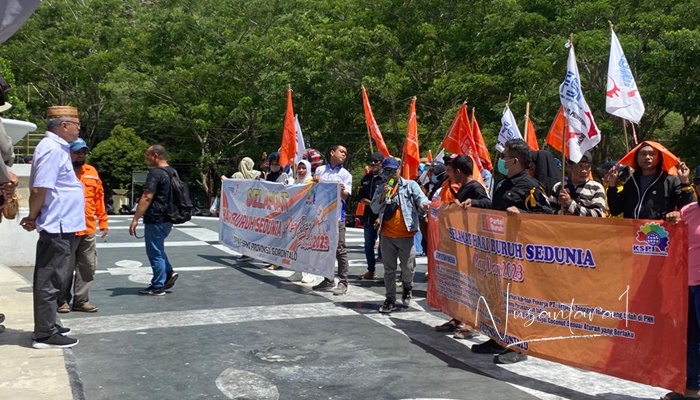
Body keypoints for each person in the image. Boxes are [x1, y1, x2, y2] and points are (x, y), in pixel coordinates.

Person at [471, 139, 554, 364]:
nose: (501, 160)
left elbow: (549, 215)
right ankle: (498, 337)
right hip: (497, 252)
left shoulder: (530, 186)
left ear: (514, 160)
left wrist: (524, 215)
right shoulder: (504, 183)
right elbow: (495, 208)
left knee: (516, 300)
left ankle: (518, 345)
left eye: (504, 156)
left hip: (519, 256)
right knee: (496, 297)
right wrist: (474, 203)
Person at [20, 106, 84, 349]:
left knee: (54, 277)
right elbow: (39, 188)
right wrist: (33, 217)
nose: (79, 128)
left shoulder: (58, 149)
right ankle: (44, 334)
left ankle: (48, 325)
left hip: (63, 224)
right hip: (57, 224)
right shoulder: (50, 149)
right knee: (50, 279)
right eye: (76, 124)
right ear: (64, 125)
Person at [435, 155, 491, 337]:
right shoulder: (465, 187)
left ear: (459, 171)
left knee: (472, 284)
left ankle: (473, 325)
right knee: (460, 282)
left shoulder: (475, 187)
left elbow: (488, 204)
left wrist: (473, 202)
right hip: (461, 242)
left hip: (473, 245)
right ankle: (458, 317)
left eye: (452, 171)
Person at [371, 157, 430, 313]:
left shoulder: (410, 186)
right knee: (389, 269)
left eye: (394, 170)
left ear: (399, 169)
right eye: (387, 171)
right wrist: (383, 196)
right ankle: (390, 298)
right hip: (387, 235)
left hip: (406, 235)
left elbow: (421, 199)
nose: (391, 174)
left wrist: (425, 205)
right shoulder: (381, 187)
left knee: (408, 268)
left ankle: (407, 287)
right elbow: (375, 209)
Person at [57, 138, 108, 313]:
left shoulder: (92, 171)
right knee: (65, 268)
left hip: (88, 228)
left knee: (87, 266)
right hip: (68, 228)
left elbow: (99, 197)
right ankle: (61, 301)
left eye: (83, 152)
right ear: (68, 152)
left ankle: (81, 300)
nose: (80, 156)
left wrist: (103, 221)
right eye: (77, 152)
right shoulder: (62, 171)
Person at [663, 167, 700, 400]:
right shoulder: (688, 210)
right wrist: (672, 219)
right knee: (692, 341)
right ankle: (693, 390)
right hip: (688, 285)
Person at [128, 145, 180, 296]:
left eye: (148, 155)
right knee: (158, 248)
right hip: (169, 218)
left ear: (155, 155)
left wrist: (135, 218)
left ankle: (158, 285)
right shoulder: (173, 172)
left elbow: (147, 196)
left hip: (156, 217)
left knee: (154, 251)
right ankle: (168, 272)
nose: (146, 158)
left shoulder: (155, 173)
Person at [606, 141, 693, 220]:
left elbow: (688, 209)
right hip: (633, 233)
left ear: (659, 158)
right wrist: (612, 185)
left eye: (652, 154)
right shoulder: (631, 181)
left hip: (659, 233)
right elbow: (615, 210)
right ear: (636, 158)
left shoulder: (671, 181)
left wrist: (685, 182)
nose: (647, 157)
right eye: (643, 154)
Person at [312, 144, 352, 296]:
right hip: (322, 216)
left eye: (345, 153)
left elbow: (345, 196)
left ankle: (343, 281)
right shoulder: (320, 170)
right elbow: (313, 192)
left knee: (340, 249)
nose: (344, 154)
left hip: (337, 217)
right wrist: (314, 183)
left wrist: (341, 191)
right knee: (324, 248)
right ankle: (328, 279)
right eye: (341, 151)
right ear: (332, 152)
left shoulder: (345, 175)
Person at [356, 151, 385, 280]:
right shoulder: (366, 178)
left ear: (381, 163)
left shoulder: (386, 178)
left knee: (385, 246)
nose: (373, 164)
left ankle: (388, 273)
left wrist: (378, 207)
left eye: (376, 162)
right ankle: (371, 270)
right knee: (368, 245)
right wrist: (371, 203)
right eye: (371, 162)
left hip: (384, 215)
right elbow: (360, 196)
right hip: (369, 215)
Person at [552, 151, 607, 217]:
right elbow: (549, 211)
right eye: (580, 166)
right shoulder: (559, 187)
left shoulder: (596, 188)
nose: (584, 171)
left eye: (587, 167)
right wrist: (563, 213)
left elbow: (599, 214)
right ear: (569, 166)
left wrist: (571, 204)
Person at [288, 160, 317, 284]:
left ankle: (310, 273)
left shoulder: (312, 182)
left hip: (310, 218)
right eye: (299, 168)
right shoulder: (296, 183)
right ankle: (298, 271)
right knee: (297, 246)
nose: (301, 171)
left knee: (307, 246)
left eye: (303, 168)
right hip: (298, 219)